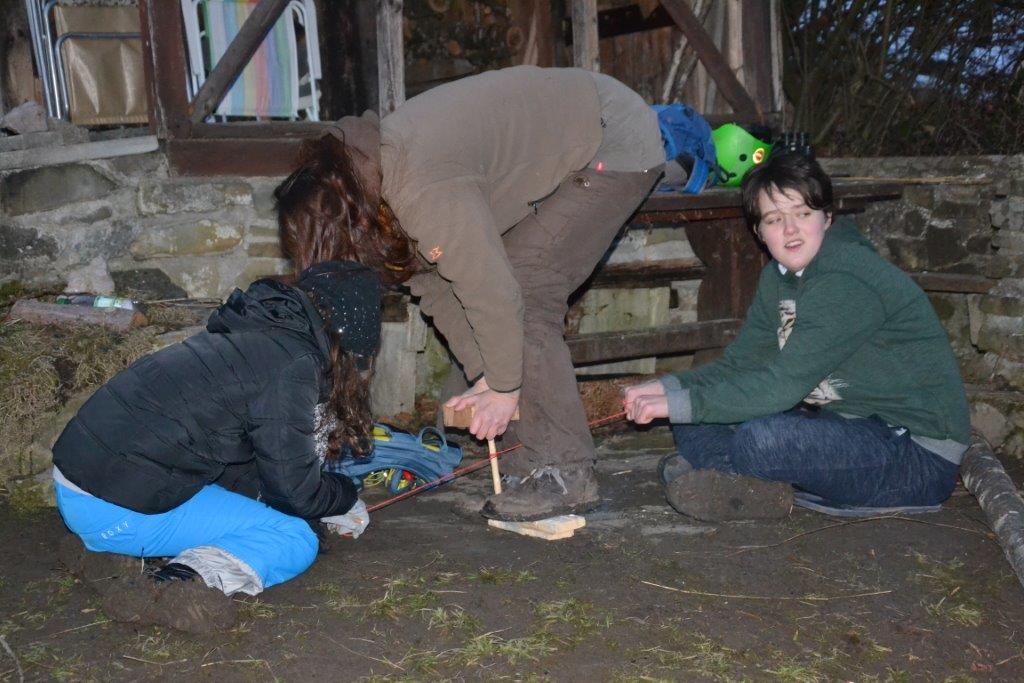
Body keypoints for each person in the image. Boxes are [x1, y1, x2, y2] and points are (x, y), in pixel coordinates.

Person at [274, 66, 666, 521]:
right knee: (502, 324)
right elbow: (431, 284)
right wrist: (486, 376)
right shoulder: (372, 183)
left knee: (528, 287)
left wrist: (503, 387)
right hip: (574, 141)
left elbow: (493, 293)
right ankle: (532, 463)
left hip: (611, 137)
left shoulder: (419, 187)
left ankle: (564, 472)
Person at [623, 152, 971, 521]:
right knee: (695, 418)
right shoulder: (779, 277)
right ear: (759, 232)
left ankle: (729, 474)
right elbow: (740, 365)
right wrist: (666, 388)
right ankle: (744, 484)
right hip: (849, 425)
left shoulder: (846, 278)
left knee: (762, 439)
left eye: (803, 214)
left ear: (827, 217)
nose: (790, 230)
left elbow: (781, 387)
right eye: (774, 219)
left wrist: (676, 403)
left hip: (915, 454)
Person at [51, 261, 381, 630]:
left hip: (80, 486)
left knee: (260, 511)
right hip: (113, 510)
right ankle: (174, 584)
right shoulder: (292, 367)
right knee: (293, 538)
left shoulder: (254, 338)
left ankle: (113, 554)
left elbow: (248, 471)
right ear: (349, 338)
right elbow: (295, 494)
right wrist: (343, 496)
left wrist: (312, 499)